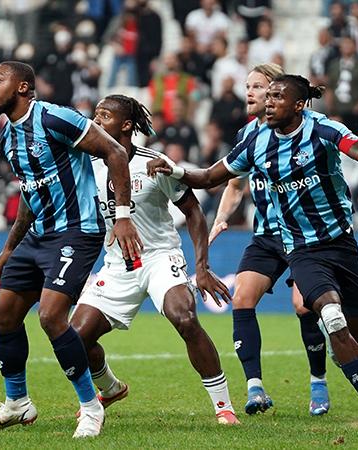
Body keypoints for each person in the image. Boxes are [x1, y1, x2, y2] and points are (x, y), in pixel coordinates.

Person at [147, 74, 358, 429]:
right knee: (331, 317)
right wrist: (176, 169)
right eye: (268, 95)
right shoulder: (255, 142)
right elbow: (211, 177)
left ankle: (342, 355)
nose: (269, 102)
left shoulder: (323, 130)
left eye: (277, 96)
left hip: (342, 242)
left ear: (299, 105)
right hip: (300, 248)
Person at [0, 61, 141, 437]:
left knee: (51, 317)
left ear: (23, 88)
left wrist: (123, 216)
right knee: (2, 315)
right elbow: (31, 195)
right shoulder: (8, 137)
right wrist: (9, 247)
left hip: (77, 232)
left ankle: (90, 407)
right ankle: (18, 404)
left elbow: (115, 151)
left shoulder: (55, 118)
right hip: (38, 237)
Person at [68, 94, 239, 425]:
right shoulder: (87, 166)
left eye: (104, 115)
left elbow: (192, 211)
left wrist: (201, 266)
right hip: (118, 265)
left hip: (160, 257)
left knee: (185, 319)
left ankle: (223, 407)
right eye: (96, 114)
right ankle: (110, 388)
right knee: (76, 338)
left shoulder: (152, 162)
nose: (96, 119)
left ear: (127, 125)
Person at [206, 63, 333, 416]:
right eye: (247, 86)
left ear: (279, 95)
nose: (249, 92)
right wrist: (220, 219)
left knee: (303, 306)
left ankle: (318, 382)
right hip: (265, 236)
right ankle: (255, 388)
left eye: (258, 87)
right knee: (242, 299)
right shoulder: (248, 135)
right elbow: (234, 184)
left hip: (304, 234)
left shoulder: (307, 131)